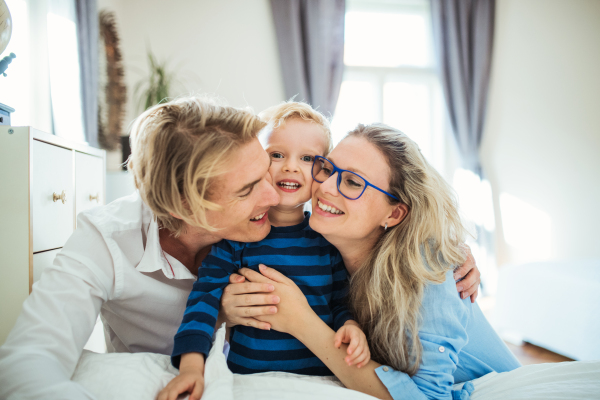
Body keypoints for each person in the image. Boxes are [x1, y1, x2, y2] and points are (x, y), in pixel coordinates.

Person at [0, 97, 480, 400]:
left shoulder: (316, 236)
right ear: (193, 204)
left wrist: (443, 245)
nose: (278, 195)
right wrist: (220, 318)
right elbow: (29, 362)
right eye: (253, 187)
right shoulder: (105, 241)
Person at [220, 124, 520, 400]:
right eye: (326, 168)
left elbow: (428, 396)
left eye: (352, 182)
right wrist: (228, 311)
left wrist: (301, 321)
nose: (325, 187)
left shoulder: (428, 272)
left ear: (394, 214)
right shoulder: (324, 246)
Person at [159, 102, 370, 400]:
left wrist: (350, 326)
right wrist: (192, 368)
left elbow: (340, 302)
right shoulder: (233, 241)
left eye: (308, 158)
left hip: (319, 382)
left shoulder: (328, 240)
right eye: (276, 155)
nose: (291, 167)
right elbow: (202, 302)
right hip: (249, 383)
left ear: (324, 171)